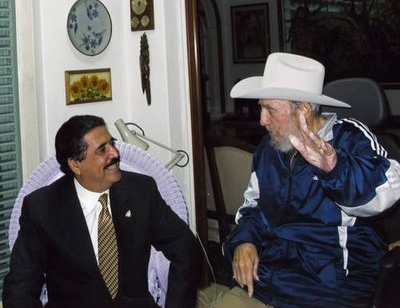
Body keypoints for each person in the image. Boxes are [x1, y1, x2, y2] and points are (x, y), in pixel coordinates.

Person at [215, 53, 400, 307]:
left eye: (270, 109)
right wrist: (244, 239)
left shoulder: (350, 139)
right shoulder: (270, 148)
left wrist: (334, 170)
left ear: (303, 109)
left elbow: (386, 190)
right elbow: (254, 206)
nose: (261, 120)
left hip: (330, 287)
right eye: (261, 107)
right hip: (269, 277)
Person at [3, 115, 199, 308]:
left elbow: (184, 245)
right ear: (75, 164)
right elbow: (21, 284)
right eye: (102, 150)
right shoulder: (42, 207)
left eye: (112, 143)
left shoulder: (141, 191)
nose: (115, 153)